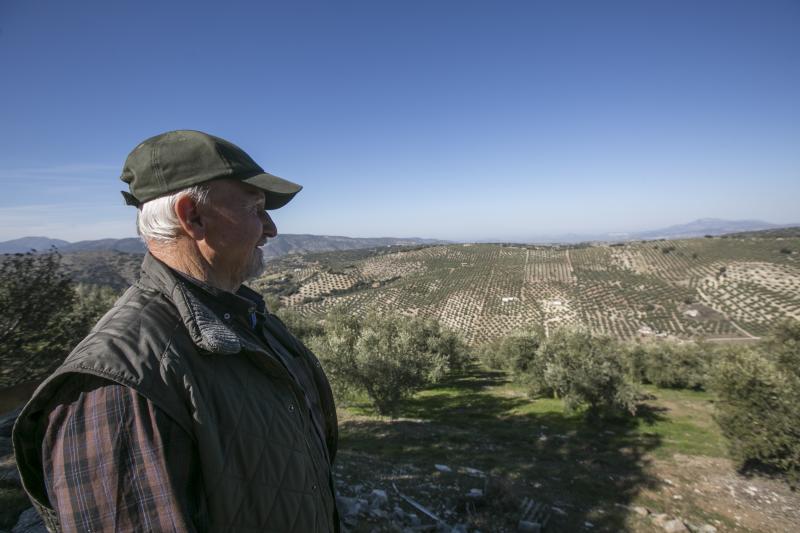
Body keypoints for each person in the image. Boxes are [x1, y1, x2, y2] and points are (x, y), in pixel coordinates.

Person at [13, 130, 340, 532]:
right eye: (256, 208)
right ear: (193, 217)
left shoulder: (245, 318)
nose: (271, 229)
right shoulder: (121, 384)